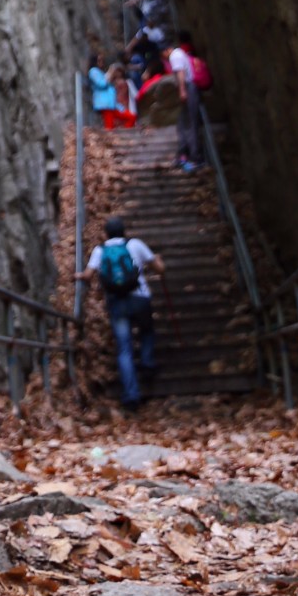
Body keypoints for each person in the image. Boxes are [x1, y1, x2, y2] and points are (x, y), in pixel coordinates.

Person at [80, 216, 163, 409]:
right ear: (124, 231)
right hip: (140, 298)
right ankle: (147, 362)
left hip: (117, 302)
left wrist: (78, 276)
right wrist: (158, 260)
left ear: (106, 234)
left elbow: (88, 276)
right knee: (147, 331)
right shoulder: (135, 244)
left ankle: (131, 394)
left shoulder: (100, 250)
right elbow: (160, 269)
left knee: (124, 349)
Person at [167, 28, 203, 172]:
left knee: (189, 123)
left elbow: (180, 73)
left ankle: (195, 157)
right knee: (184, 122)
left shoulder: (175, 55)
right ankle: (184, 154)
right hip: (188, 88)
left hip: (187, 88)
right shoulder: (180, 53)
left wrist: (182, 90)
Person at [87, 52, 118, 126]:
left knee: (128, 117)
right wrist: (110, 72)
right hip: (104, 102)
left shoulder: (100, 72)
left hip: (109, 102)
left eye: (102, 60)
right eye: (99, 60)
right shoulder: (93, 71)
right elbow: (102, 84)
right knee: (109, 125)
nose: (101, 62)